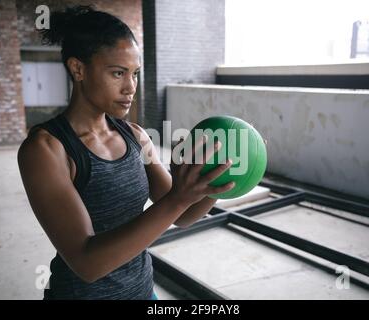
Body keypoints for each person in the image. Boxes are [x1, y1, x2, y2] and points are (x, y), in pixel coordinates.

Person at [17, 5, 234, 300]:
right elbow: (87, 263)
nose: (130, 87)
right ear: (78, 69)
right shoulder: (45, 149)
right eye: (118, 73)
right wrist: (178, 198)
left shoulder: (136, 136)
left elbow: (183, 215)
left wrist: (220, 177)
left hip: (143, 292)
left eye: (135, 73)